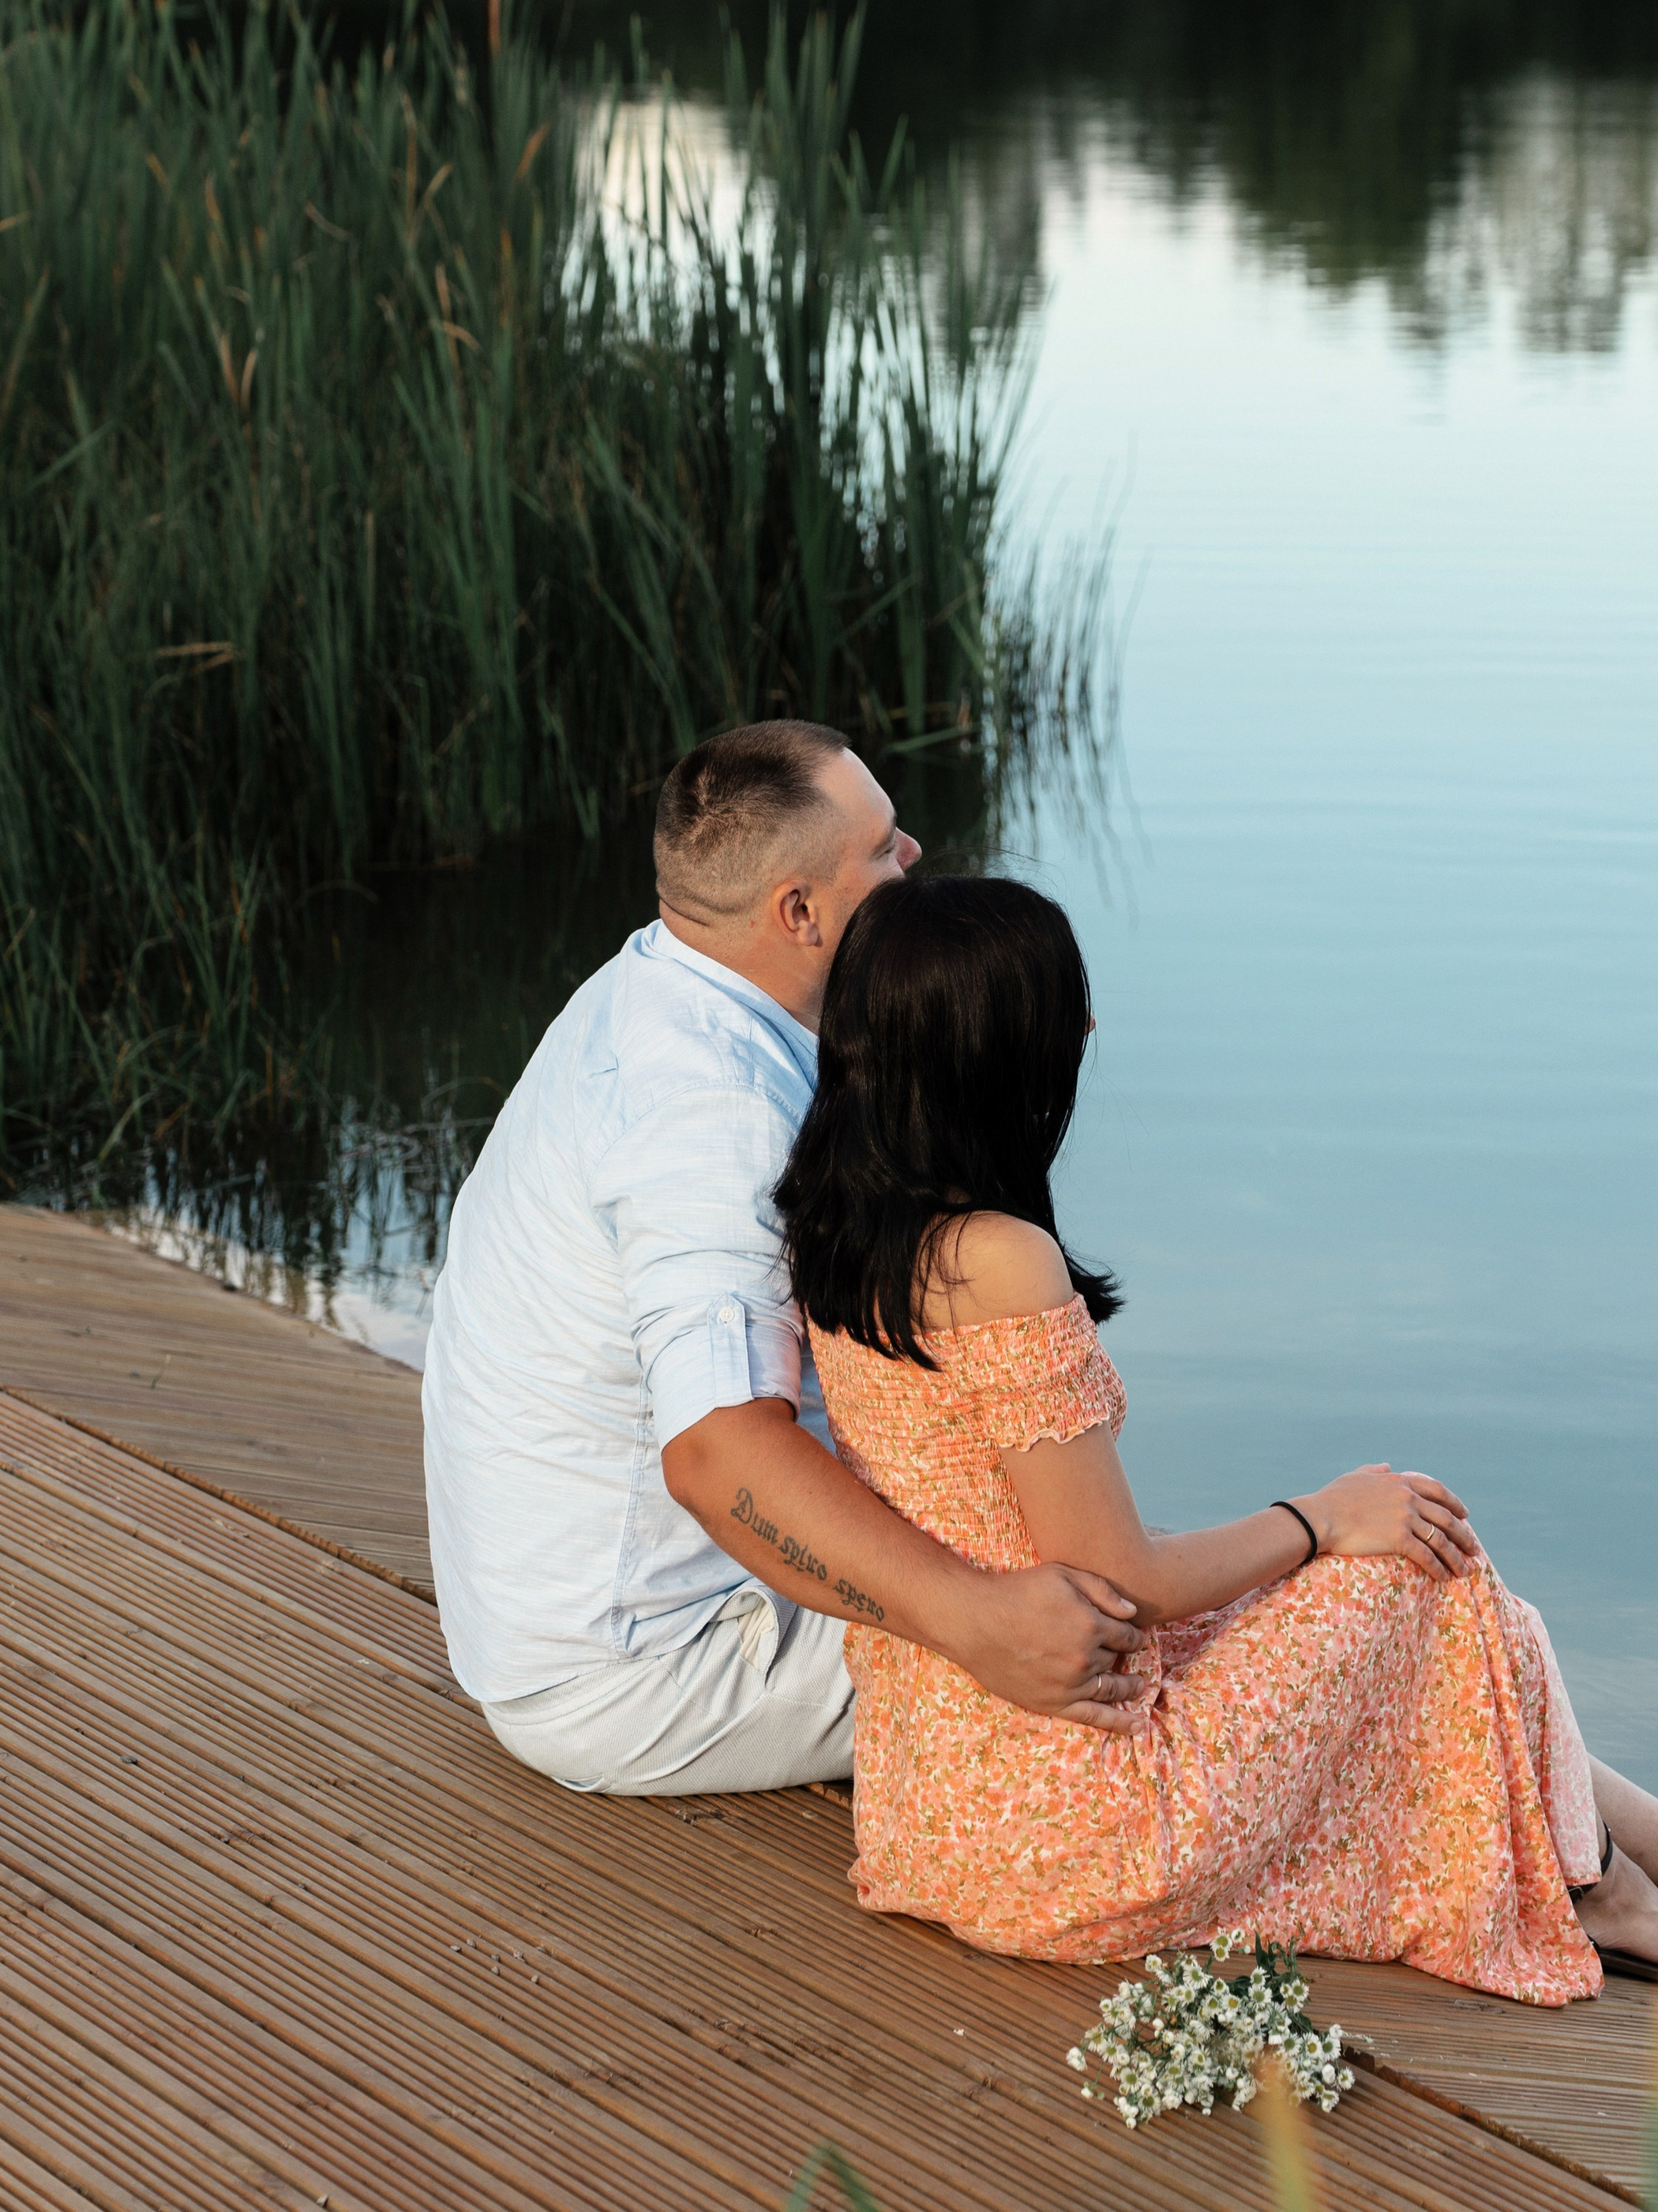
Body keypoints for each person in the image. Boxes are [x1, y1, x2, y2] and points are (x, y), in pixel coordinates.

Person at [772, 872, 1658, 1997]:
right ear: (991, 1052)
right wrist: (1320, 1517)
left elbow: (1046, 1544)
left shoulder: (834, 1221)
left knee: (1430, 1592)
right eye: (1061, 1009)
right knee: (1418, 1555)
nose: (1086, 1030)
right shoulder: (994, 1258)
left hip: (938, 1811)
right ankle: (1620, 1890)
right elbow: (1119, 1578)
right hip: (1074, 1829)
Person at [422, 722, 1154, 1801]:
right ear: (799, 912)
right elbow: (719, 1457)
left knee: (1136, 1579)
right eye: (884, 847)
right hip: (656, 1665)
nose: (915, 858)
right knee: (1148, 1654)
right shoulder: (711, 1120)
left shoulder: (665, 985)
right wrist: (974, 1621)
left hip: (579, 1616)